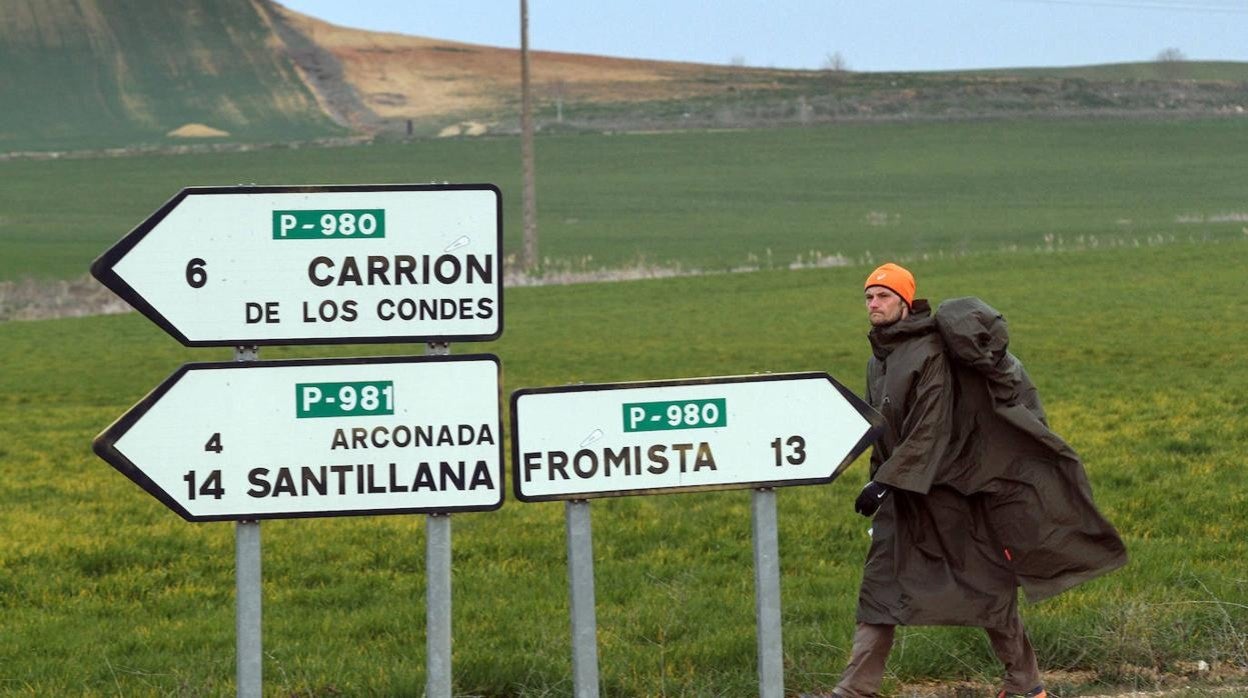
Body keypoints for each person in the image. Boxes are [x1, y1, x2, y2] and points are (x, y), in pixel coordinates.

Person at [832, 263, 1127, 698]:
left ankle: (1027, 685)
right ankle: (856, 690)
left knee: (986, 589)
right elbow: (883, 428)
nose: (874, 304)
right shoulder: (879, 361)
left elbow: (931, 427)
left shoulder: (928, 352)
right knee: (879, 589)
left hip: (951, 495)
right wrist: (877, 479)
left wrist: (886, 482)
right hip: (905, 496)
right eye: (869, 297)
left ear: (906, 302)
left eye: (884, 296)